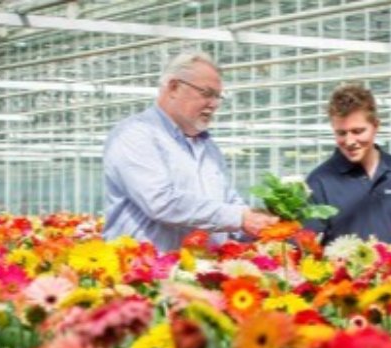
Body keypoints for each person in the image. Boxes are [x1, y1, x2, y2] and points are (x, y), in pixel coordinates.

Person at [103, 51, 278, 252]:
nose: (213, 104)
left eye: (217, 97)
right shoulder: (136, 134)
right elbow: (161, 202)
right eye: (206, 93)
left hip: (202, 273)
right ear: (174, 88)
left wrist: (261, 220)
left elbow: (228, 200)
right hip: (145, 275)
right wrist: (239, 217)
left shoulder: (208, 147)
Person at [305, 83, 391, 245]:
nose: (349, 141)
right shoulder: (320, 181)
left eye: (358, 131)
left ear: (376, 126)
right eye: (341, 133)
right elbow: (307, 244)